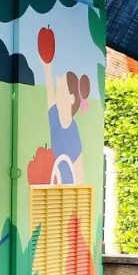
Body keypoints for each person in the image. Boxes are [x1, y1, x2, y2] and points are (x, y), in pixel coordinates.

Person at [41, 53, 90, 185]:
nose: (57, 95)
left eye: (61, 91)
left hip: (68, 189)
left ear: (71, 98)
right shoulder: (55, 118)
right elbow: (50, 95)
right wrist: (47, 67)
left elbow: (79, 171)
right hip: (55, 185)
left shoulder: (73, 131)